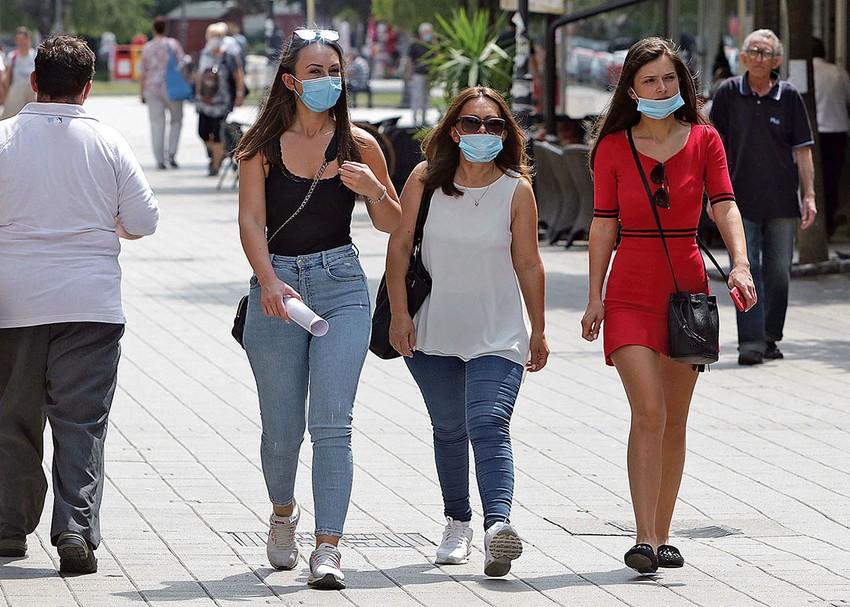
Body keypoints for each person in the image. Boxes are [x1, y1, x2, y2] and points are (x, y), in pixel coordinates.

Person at [234, 27, 401, 589]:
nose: (327, 81)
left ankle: (328, 547)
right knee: (281, 429)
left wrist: (373, 187)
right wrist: (269, 283)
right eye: (315, 72)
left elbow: (395, 223)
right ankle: (283, 513)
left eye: (334, 72)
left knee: (332, 423)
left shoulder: (360, 143)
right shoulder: (260, 147)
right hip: (276, 288)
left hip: (341, 284)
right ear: (290, 81)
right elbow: (250, 223)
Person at [581, 37, 755, 574]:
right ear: (631, 89)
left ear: (682, 84)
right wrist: (594, 296)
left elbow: (724, 204)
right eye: (651, 80)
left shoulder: (705, 139)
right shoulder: (612, 147)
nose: (662, 88)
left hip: (687, 290)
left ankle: (662, 534)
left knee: (674, 419)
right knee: (649, 411)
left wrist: (741, 264)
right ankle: (641, 537)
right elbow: (603, 223)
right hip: (630, 287)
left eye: (669, 79)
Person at [0, 35, 159, 573]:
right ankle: (74, 530)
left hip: (12, 304)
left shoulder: (3, 140)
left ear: (34, 81)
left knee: (11, 417)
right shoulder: (108, 144)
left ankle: (7, 526)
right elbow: (143, 222)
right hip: (90, 305)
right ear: (88, 88)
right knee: (82, 422)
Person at [385, 86, 549, 577]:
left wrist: (538, 330)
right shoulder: (424, 180)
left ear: (506, 134)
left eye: (494, 125)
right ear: (454, 131)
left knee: (488, 422)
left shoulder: (517, 189)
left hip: (498, 332)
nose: (483, 133)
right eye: (473, 124)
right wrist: (398, 314)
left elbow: (529, 262)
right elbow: (399, 249)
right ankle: (458, 521)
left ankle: (498, 527)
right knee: (450, 428)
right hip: (431, 328)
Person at [710, 29, 817, 366]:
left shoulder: (788, 97)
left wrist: (809, 194)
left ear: (777, 60)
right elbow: (711, 146)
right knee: (746, 268)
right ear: (742, 57)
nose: (759, 57)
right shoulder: (728, 93)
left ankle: (770, 335)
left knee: (778, 272)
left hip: (783, 200)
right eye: (753, 51)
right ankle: (751, 342)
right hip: (736, 201)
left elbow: (802, 150)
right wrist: (708, 195)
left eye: (765, 52)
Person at [812, 37, 850, 238]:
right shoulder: (839, 73)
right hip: (837, 131)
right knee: (832, 179)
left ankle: (818, 222)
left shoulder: (802, 74)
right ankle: (829, 219)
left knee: (813, 180)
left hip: (813, 133)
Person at [195, 22, 245, 176]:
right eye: (212, 36)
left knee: (217, 135)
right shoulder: (204, 54)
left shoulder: (229, 55)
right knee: (202, 132)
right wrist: (197, 94)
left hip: (222, 102)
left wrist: (239, 93)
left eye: (218, 36)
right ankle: (222, 151)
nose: (215, 39)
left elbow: (238, 74)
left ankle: (215, 167)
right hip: (204, 101)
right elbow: (199, 75)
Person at [140, 16, 187, 169]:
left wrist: (142, 92)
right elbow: (182, 64)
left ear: (154, 29)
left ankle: (159, 159)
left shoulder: (147, 47)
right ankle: (171, 153)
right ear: (165, 29)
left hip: (152, 88)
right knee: (176, 120)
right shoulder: (173, 44)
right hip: (172, 87)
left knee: (156, 123)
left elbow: (143, 72)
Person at [1, 27, 37, 119]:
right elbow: (8, 77)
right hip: (17, 90)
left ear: (27, 39)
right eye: (18, 40)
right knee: (9, 117)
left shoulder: (35, 55)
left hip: (31, 92)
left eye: (22, 39)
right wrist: (5, 95)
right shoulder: (13, 56)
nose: (20, 42)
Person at [406, 23, 433, 126]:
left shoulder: (431, 46)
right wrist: (409, 72)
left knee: (426, 97)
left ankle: (424, 118)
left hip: (428, 75)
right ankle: (415, 119)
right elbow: (410, 60)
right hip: (418, 74)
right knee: (417, 96)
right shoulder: (415, 45)